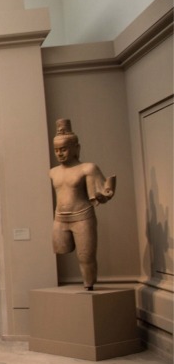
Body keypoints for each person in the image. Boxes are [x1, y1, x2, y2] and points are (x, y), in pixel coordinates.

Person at [49, 119, 116, 290]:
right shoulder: (53, 172)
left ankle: (88, 285)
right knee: (60, 251)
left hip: (83, 217)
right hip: (60, 219)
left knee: (86, 257)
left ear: (76, 149)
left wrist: (104, 195)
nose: (59, 154)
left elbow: (104, 190)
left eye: (63, 149)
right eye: (56, 150)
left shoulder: (87, 168)